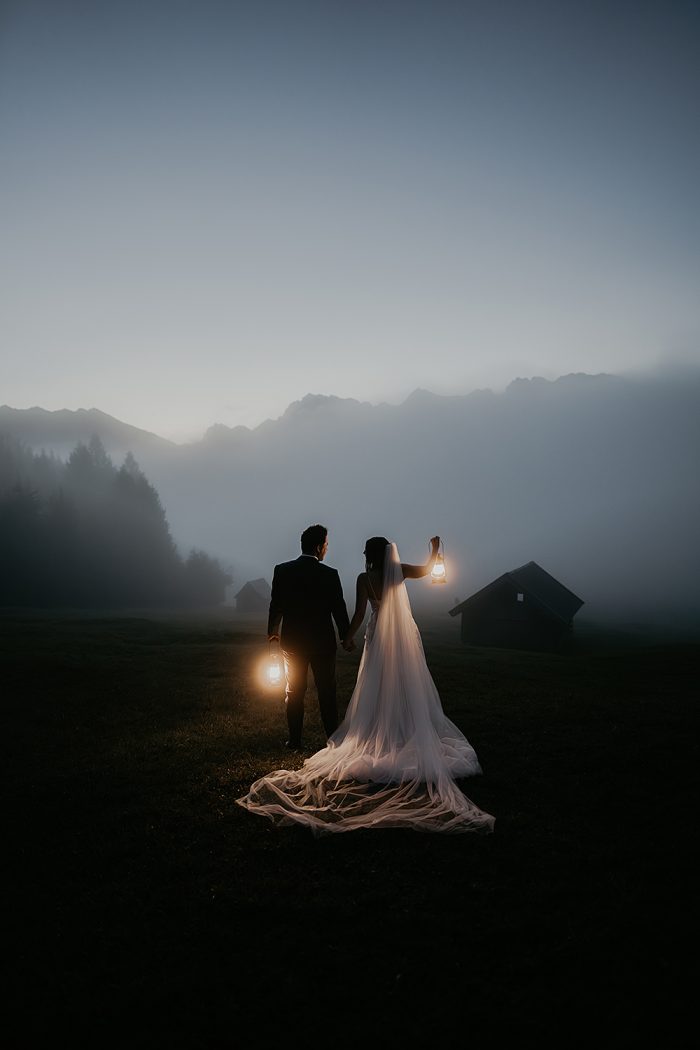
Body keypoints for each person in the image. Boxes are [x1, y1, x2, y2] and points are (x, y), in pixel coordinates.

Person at [237, 535, 494, 835]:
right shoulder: (398, 572)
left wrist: (347, 637)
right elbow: (425, 572)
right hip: (400, 640)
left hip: (372, 639)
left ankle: (356, 733)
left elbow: (359, 613)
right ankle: (398, 732)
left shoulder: (364, 578)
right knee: (396, 685)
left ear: (369, 555)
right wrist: (435, 552)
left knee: (370, 686)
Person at [267, 523, 352, 751]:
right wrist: (346, 636)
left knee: (294, 691)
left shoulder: (282, 570)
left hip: (293, 642)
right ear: (318, 547)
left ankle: (294, 741)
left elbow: (276, 606)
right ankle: (333, 742)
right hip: (323, 643)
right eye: (326, 545)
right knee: (327, 691)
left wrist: (273, 634)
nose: (326, 549)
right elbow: (339, 609)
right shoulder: (330, 575)